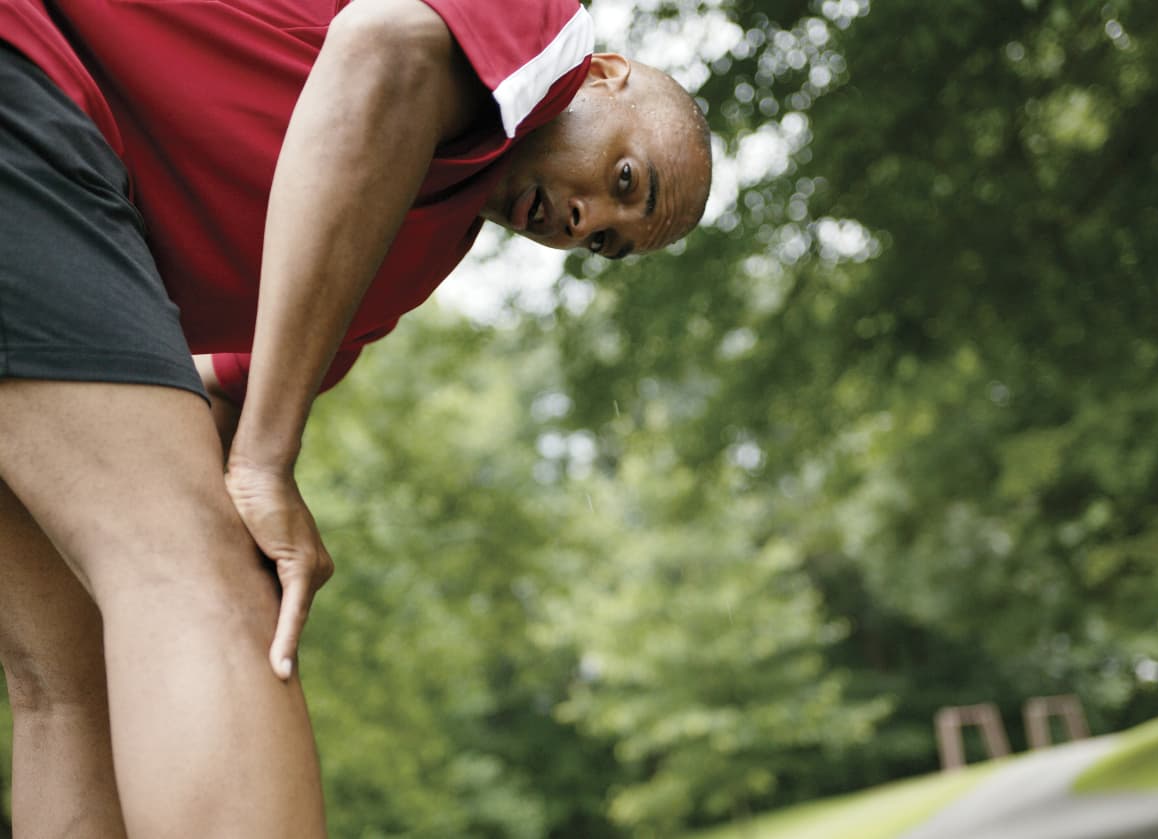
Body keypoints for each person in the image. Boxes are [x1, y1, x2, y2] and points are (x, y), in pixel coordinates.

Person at [0, 0, 712, 834]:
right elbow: (384, 45)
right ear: (606, 75)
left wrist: (252, 494)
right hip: (28, 84)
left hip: (52, 200)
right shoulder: (547, 38)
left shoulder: (395, 268)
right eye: (624, 181)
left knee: (70, 684)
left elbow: (222, 397)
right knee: (193, 581)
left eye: (607, 243)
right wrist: (264, 467)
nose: (588, 220)